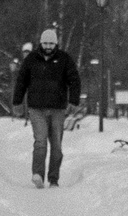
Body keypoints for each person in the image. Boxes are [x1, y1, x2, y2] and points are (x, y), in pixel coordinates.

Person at [12, 25, 82, 188]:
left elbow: (74, 80)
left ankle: (53, 178)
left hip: (58, 108)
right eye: (45, 44)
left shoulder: (64, 60)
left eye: (51, 44)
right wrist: (17, 102)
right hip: (36, 108)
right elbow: (21, 81)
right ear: (41, 44)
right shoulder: (31, 60)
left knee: (56, 145)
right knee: (40, 141)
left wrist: (73, 101)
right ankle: (37, 174)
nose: (48, 47)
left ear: (56, 44)